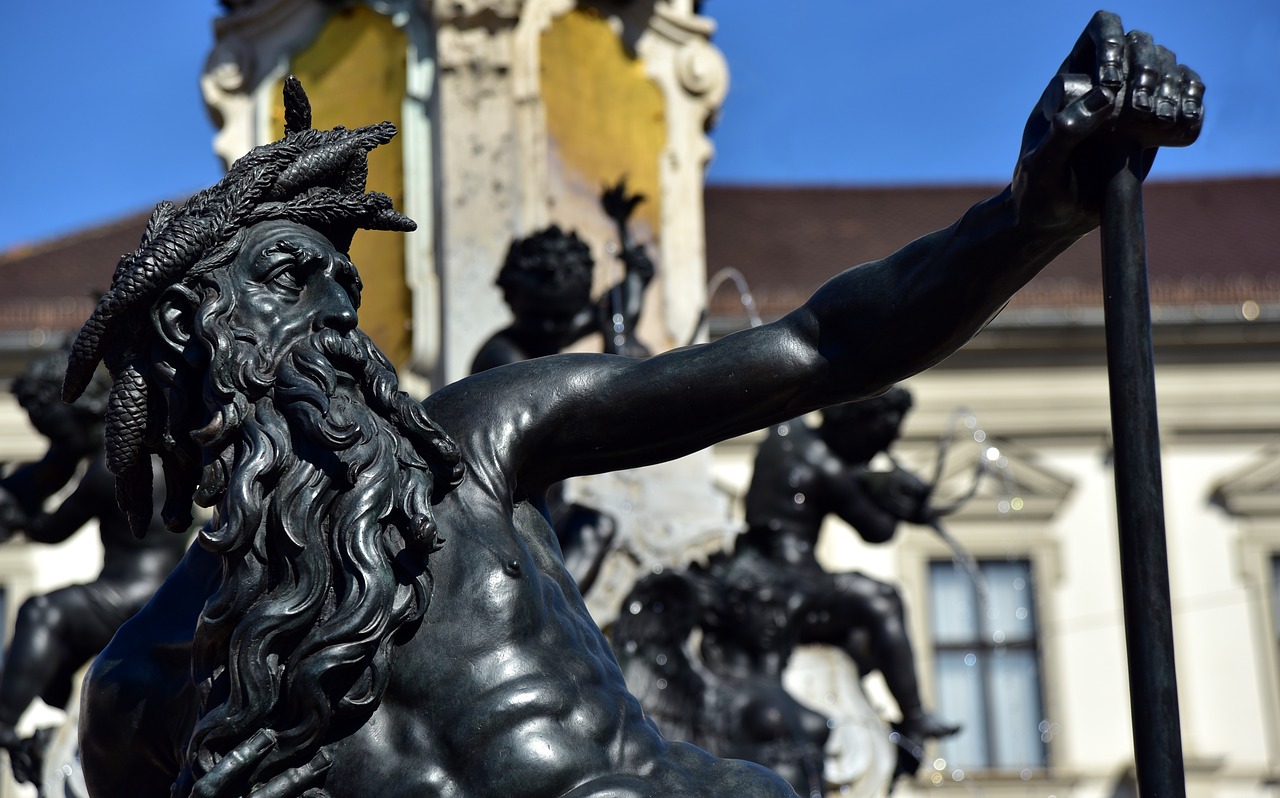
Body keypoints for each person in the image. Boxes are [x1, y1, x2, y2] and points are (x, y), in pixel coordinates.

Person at [71, 15, 1200, 798]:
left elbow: (820, 344)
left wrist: (1030, 213)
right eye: (285, 277)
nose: (336, 309)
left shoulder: (478, 442)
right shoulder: (136, 692)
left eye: (345, 285)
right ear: (185, 328)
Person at [736, 387, 958, 764]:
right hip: (784, 583)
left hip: (751, 573)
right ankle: (915, 716)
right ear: (858, 422)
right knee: (880, 599)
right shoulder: (826, 465)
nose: (877, 451)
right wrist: (907, 505)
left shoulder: (786, 435)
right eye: (877, 439)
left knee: (861, 638)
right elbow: (877, 530)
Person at [0, 349, 188, 787]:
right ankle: (58, 704)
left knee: (43, 611)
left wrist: (22, 521)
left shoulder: (111, 467)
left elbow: (55, 530)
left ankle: (6, 723)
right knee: (63, 621)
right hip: (163, 589)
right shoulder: (153, 453)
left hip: (131, 594)